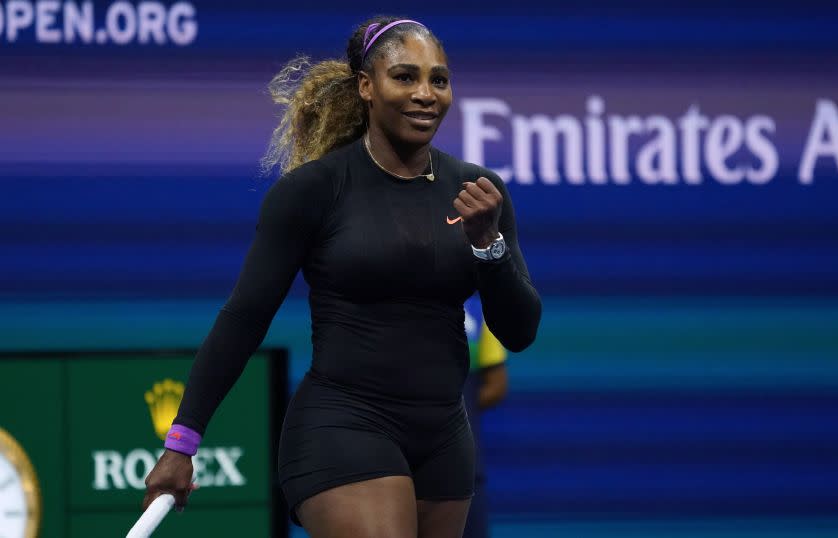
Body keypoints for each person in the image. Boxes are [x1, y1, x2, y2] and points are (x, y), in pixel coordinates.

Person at [142, 15, 541, 538]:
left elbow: (519, 331)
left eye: (438, 80)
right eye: (405, 77)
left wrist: (489, 245)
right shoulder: (315, 190)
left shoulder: (478, 191)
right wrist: (181, 443)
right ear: (366, 87)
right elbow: (244, 317)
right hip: (342, 427)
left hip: (445, 438)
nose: (425, 94)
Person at [462, 295, 508, 538]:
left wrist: (447, 411)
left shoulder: (478, 310)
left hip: (467, 465)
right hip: (401, 466)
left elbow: (497, 384)